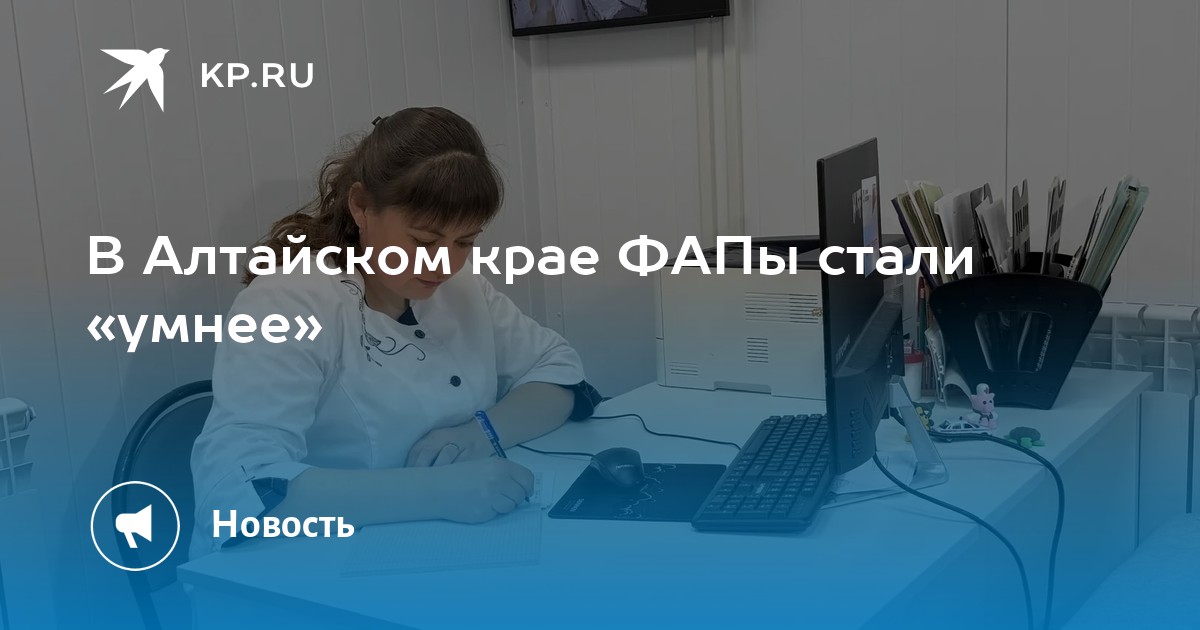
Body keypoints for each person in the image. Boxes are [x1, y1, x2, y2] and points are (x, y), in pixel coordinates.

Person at [190, 107, 599, 558]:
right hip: (307, 561)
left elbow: (560, 372)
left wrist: (480, 434)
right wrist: (437, 492)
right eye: (424, 241)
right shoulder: (289, 301)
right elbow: (237, 488)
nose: (444, 264)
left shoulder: (461, 288)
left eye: (465, 242)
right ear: (361, 206)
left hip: (447, 545)